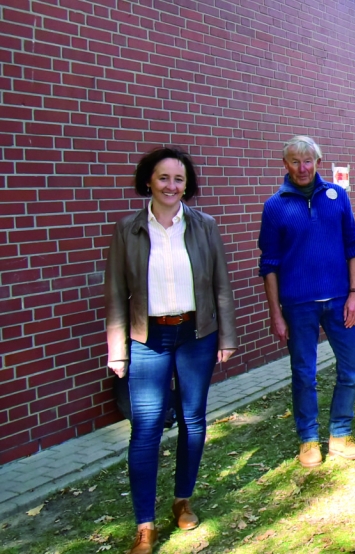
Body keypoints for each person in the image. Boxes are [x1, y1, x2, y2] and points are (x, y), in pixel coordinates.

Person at [105, 147, 237, 554]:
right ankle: (144, 524)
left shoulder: (204, 226)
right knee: (145, 429)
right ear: (149, 180)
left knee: (193, 420)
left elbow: (220, 285)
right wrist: (117, 349)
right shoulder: (127, 229)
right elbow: (115, 293)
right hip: (148, 339)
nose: (171, 186)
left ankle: (183, 499)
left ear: (187, 184)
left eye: (179, 179)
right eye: (164, 178)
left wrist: (227, 337)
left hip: (196, 334)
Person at [258, 135, 355, 467]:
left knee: (353, 368)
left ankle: (339, 435)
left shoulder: (337, 197)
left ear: (319, 162)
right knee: (304, 373)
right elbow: (269, 264)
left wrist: (354, 294)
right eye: (295, 160)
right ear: (285, 164)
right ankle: (308, 440)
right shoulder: (275, 206)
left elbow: (353, 246)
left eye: (308, 160)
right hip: (297, 307)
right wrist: (275, 313)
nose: (302, 167)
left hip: (339, 301)